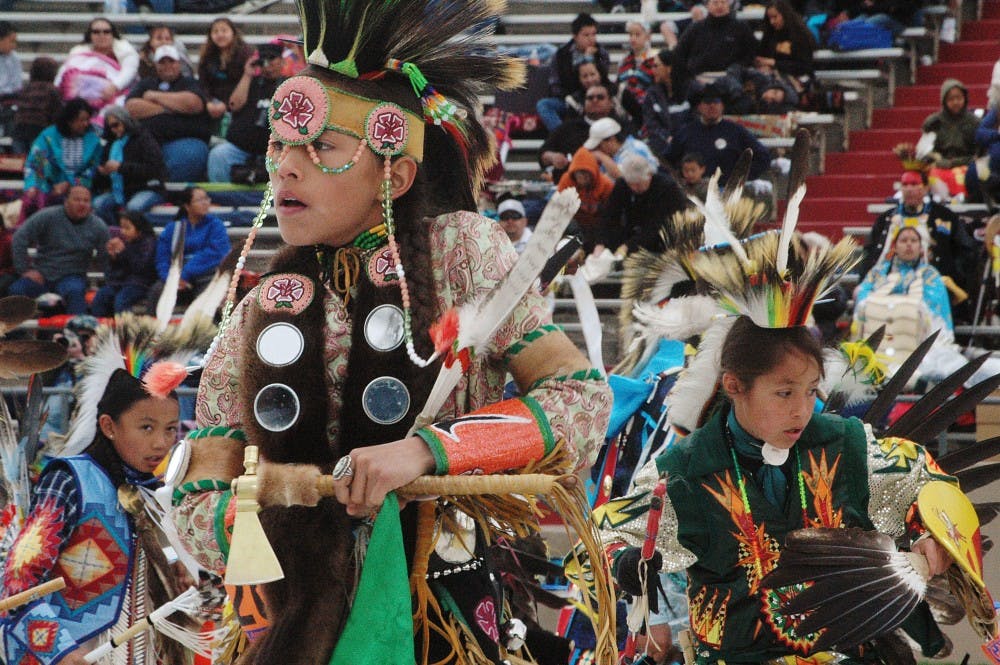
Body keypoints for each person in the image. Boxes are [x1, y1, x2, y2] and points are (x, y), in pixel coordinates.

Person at [170, 1, 612, 663]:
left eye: (321, 147)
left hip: (442, 618)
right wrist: (287, 507)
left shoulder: (461, 252)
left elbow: (580, 399)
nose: (285, 166)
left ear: (394, 173)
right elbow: (194, 500)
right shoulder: (260, 306)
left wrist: (426, 452)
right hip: (293, 631)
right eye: (280, 145)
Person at [599, 230, 963, 664]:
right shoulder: (687, 470)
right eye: (784, 393)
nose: (802, 410)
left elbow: (929, 486)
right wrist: (623, 562)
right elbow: (601, 539)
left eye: (810, 391)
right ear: (735, 386)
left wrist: (930, 533)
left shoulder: (845, 446)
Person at [0, 318, 194, 665]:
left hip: (131, 651)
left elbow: (159, 563)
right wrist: (59, 651)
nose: (161, 442)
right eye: (146, 427)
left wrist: (179, 572)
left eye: (170, 429)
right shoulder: (70, 480)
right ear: (108, 426)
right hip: (64, 652)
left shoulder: (154, 493)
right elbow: (18, 581)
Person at [857, 170, 976, 304]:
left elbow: (966, 251)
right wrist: (864, 283)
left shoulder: (945, 217)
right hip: (886, 282)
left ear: (926, 188)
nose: (909, 189)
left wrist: (953, 278)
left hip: (932, 287)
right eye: (905, 185)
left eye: (914, 184)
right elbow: (868, 253)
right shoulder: (886, 220)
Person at [9, 186, 108, 316]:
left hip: (72, 277)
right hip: (42, 275)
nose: (82, 204)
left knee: (75, 292)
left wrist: (109, 281)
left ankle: (78, 327)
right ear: (66, 201)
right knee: (16, 290)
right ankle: (17, 328)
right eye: (77, 200)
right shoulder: (47, 216)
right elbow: (19, 237)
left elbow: (105, 256)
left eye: (86, 200)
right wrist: (24, 270)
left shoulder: (99, 226)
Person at [126, 45, 211, 182]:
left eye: (171, 61)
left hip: (185, 141)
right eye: (162, 62)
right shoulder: (146, 83)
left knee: (190, 155)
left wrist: (154, 96)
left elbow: (193, 104)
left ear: (179, 63)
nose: (167, 66)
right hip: (149, 142)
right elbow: (131, 108)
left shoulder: (190, 82)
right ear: (155, 65)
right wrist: (171, 108)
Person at [207, 43, 286, 183]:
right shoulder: (250, 82)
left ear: (282, 61)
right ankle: (223, 196)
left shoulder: (290, 84)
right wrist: (247, 74)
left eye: (272, 58)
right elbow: (233, 105)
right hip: (240, 149)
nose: (268, 63)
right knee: (218, 155)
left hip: (275, 151)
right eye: (264, 59)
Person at [665, 83, 771, 182]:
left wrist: (739, 179)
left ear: (722, 106)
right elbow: (666, 161)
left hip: (724, 190)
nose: (712, 106)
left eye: (716, 102)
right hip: (692, 191)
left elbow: (763, 157)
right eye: (707, 102)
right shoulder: (686, 132)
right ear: (699, 107)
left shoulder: (735, 131)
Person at [146, 187, 230, 309]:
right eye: (199, 200)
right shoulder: (173, 228)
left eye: (206, 198)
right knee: (157, 292)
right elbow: (162, 257)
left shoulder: (216, 225)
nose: (205, 203)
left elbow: (216, 253)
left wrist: (185, 273)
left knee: (209, 301)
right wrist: (170, 278)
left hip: (206, 275)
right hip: (176, 276)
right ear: (187, 206)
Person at [21, 99, 102, 223]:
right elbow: (35, 163)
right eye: (81, 120)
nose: (86, 124)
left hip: (82, 189)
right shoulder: (48, 137)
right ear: (69, 120)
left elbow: (93, 169)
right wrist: (33, 186)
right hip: (49, 187)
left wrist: (71, 185)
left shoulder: (93, 140)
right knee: (34, 198)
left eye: (87, 120)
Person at [596, 155, 688, 256]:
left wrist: (628, 246)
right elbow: (610, 214)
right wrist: (601, 243)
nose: (634, 188)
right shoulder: (623, 185)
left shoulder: (668, 189)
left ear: (649, 175)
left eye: (638, 184)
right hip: (635, 232)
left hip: (665, 238)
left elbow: (656, 225)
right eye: (631, 184)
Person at [536, 13, 612, 132]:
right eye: (586, 35)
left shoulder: (601, 53)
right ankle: (563, 135)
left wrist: (589, 59)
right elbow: (555, 84)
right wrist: (571, 98)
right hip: (568, 98)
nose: (591, 39)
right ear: (575, 36)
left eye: (593, 34)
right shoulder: (562, 54)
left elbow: (602, 80)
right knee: (544, 105)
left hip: (594, 98)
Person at [91, 105, 167, 224]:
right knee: (98, 204)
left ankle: (136, 233)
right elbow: (101, 180)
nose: (113, 130)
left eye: (116, 125)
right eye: (110, 127)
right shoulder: (110, 145)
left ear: (125, 120)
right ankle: (115, 231)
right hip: (121, 191)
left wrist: (120, 167)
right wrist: (103, 173)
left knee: (133, 208)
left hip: (148, 188)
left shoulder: (143, 139)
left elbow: (154, 169)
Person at [670, 0, 757, 102]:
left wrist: (737, 70)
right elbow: (679, 55)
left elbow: (751, 54)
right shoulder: (695, 28)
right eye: (715, 3)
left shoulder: (741, 27)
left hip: (731, 79)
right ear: (707, 5)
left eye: (723, 2)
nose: (719, 6)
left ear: (728, 4)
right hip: (699, 80)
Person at [539, 82, 621, 183]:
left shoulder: (621, 127)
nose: (595, 100)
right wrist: (553, 157)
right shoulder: (567, 127)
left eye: (600, 97)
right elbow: (543, 153)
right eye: (590, 98)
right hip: (568, 186)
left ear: (610, 102)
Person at [54, 17, 139, 112]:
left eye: (106, 32)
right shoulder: (78, 53)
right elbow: (64, 73)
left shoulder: (126, 52)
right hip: (79, 100)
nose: (101, 35)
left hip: (116, 96)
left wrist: (114, 87)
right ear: (90, 35)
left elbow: (129, 72)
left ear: (113, 34)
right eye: (96, 32)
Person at [91, 211, 158, 316]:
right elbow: (114, 270)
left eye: (127, 228)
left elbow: (140, 267)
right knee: (101, 296)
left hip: (141, 284)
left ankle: (125, 326)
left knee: (121, 300)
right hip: (121, 282)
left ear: (139, 229)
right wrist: (114, 257)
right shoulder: (126, 242)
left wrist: (123, 252)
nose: (123, 232)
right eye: (122, 228)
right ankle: (100, 325)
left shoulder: (149, 243)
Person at [921, 79, 979, 199]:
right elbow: (926, 151)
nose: (955, 102)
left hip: (967, 165)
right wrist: (936, 161)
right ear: (944, 100)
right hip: (939, 166)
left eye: (959, 98)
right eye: (951, 99)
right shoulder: (934, 123)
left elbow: (979, 154)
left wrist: (953, 163)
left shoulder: (974, 122)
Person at [756, 1, 816, 102]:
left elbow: (804, 66)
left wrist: (774, 63)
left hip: (797, 77)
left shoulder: (800, 35)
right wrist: (762, 65)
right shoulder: (769, 34)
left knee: (777, 92)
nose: (772, 22)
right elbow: (761, 56)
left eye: (775, 17)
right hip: (772, 76)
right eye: (769, 18)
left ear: (784, 15)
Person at [197, 18, 253, 124]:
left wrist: (226, 104)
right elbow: (203, 83)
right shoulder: (207, 56)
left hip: (239, 103)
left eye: (224, 30)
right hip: (213, 104)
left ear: (233, 33)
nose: (220, 35)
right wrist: (208, 102)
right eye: (216, 31)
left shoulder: (244, 54)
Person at [559, 146, 616, 252]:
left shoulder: (605, 185)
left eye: (586, 173)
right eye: (579, 173)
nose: (582, 177)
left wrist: (601, 242)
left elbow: (610, 216)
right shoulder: (566, 182)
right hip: (575, 225)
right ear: (574, 173)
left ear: (593, 173)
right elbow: (558, 210)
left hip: (599, 225)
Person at [10, 57, 62, 154]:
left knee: (21, 159)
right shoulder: (52, 91)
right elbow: (57, 114)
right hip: (40, 131)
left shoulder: (25, 89)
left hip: (19, 130)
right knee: (38, 161)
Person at [584, 117, 659, 181]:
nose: (598, 150)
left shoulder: (635, 148)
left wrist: (601, 156)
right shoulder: (611, 156)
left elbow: (623, 178)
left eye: (599, 146)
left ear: (612, 139)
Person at [641, 48, 683, 162]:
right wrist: (667, 137)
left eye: (656, 66)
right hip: (662, 148)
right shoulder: (652, 94)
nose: (652, 70)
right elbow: (651, 124)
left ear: (669, 68)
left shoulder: (690, 90)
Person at [617, 20, 657, 125]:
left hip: (648, 107)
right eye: (630, 35)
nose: (633, 38)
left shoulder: (655, 58)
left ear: (648, 36)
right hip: (626, 108)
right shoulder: (624, 61)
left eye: (637, 34)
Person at [0, 20, 21, 100]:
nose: (14, 46)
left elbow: (17, 86)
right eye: (12, 41)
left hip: (8, 100)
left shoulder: (14, 58)